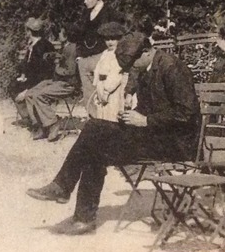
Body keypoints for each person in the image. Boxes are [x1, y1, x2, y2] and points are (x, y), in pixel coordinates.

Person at [26, 33, 201, 234]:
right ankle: (74, 207)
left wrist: (146, 120)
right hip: (156, 135)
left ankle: (71, 199)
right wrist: (133, 116)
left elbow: (186, 113)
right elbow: (151, 107)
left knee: (95, 142)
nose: (131, 70)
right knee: (94, 131)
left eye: (131, 66)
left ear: (145, 52)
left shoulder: (172, 68)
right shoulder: (147, 66)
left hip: (177, 143)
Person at [21, 24, 80, 141]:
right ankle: (41, 126)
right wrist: (53, 56)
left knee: (39, 95)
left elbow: (70, 71)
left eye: (59, 33)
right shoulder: (64, 47)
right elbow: (61, 59)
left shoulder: (72, 49)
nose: (57, 35)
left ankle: (53, 123)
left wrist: (56, 65)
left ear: (66, 35)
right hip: (57, 81)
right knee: (29, 95)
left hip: (67, 84)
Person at [72, 0, 125, 112]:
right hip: (86, 57)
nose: (85, 2)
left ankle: (105, 120)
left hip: (104, 55)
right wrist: (80, 56)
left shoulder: (111, 13)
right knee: (88, 93)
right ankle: (92, 119)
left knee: (105, 90)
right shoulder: (86, 13)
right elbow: (80, 35)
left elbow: (117, 34)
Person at [10, 18, 55, 125]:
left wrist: (26, 90)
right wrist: (23, 75)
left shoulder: (40, 47)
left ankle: (31, 118)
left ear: (29, 31)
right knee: (13, 84)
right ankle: (28, 117)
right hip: (35, 78)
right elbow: (28, 65)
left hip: (41, 80)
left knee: (15, 88)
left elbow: (40, 72)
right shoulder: (34, 45)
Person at [89, 20, 131, 121]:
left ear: (119, 40)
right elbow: (98, 69)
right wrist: (97, 86)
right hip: (101, 85)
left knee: (112, 113)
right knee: (102, 113)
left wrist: (107, 91)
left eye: (113, 39)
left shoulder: (119, 54)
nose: (110, 42)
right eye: (107, 39)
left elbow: (116, 74)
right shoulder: (105, 53)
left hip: (112, 89)